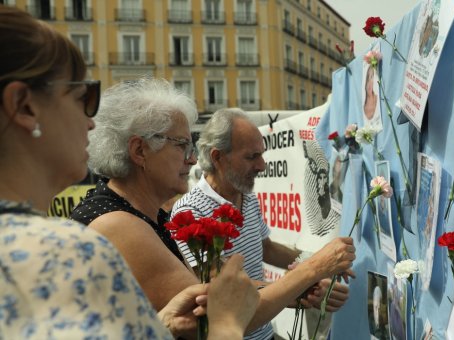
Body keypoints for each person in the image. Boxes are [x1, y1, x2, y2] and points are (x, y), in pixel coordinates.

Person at [0, 5, 257, 339]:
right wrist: (226, 324)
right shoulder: (67, 253)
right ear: (25, 105)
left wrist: (159, 325)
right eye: (84, 96)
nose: (91, 121)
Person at [172, 108, 356, 339]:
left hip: (264, 331)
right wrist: (306, 285)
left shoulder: (245, 194)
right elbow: (221, 286)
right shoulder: (190, 213)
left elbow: (267, 248)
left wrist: (320, 262)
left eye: (261, 154)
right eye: (251, 157)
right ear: (217, 157)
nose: (262, 166)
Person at [70, 77, 202, 311]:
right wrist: (291, 283)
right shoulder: (118, 223)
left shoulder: (145, 213)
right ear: (139, 150)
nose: (192, 159)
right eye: (182, 145)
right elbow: (209, 314)